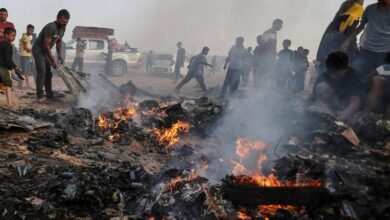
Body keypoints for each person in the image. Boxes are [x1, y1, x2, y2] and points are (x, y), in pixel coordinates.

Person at [307, 51, 362, 121]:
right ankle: (334, 113)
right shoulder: (324, 75)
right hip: (338, 103)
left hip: (354, 107)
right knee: (321, 87)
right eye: (331, 72)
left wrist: (339, 120)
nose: (332, 76)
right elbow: (312, 97)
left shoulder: (355, 76)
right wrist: (301, 110)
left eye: (336, 73)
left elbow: (354, 103)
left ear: (346, 68)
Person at [342, 0, 390, 74]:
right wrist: (347, 41)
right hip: (366, 50)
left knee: (381, 76)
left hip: (385, 53)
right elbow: (361, 27)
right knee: (353, 72)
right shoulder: (370, 9)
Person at [316, 0, 364, 74]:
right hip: (340, 46)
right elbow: (350, 30)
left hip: (327, 51)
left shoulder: (337, 19)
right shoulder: (359, 9)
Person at [32, 9, 70, 101]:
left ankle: (49, 94)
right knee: (42, 72)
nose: (65, 23)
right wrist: (53, 60)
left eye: (66, 21)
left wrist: (59, 54)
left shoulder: (63, 28)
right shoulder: (51, 27)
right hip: (38, 50)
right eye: (63, 21)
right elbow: (46, 46)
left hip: (46, 51)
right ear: (58, 19)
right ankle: (40, 96)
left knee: (49, 74)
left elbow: (59, 41)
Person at [0, 28, 24, 107]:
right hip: (3, 68)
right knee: (8, 84)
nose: (14, 37)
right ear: (6, 35)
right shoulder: (8, 45)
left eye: (15, 36)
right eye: (12, 36)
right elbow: (7, 58)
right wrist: (14, 66)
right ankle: (9, 102)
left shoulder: (1, 43)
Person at [362, 52, 390, 119]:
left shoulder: (385, 68)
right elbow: (364, 83)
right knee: (378, 81)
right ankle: (365, 117)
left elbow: (364, 83)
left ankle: (385, 122)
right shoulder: (385, 68)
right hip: (378, 101)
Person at [257, 19, 283, 87]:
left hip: (271, 57)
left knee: (267, 74)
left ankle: (262, 90)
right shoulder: (268, 32)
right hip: (266, 57)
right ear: (275, 24)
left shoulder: (274, 33)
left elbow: (271, 46)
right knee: (264, 73)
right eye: (280, 25)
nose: (281, 27)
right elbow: (262, 44)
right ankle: (259, 89)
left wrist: (275, 53)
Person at [19, 24, 34, 90]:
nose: (31, 32)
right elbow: (25, 48)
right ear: (27, 29)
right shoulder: (25, 36)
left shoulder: (27, 37)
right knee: (23, 72)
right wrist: (33, 51)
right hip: (24, 56)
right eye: (31, 30)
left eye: (32, 31)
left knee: (27, 72)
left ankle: (28, 85)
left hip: (27, 56)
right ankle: (20, 86)